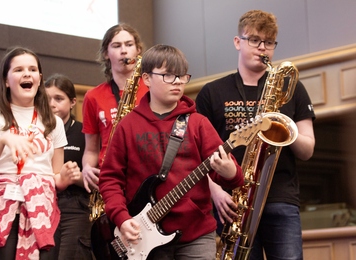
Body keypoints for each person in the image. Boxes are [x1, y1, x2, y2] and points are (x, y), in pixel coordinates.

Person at [99, 44, 244, 259]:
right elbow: (110, 179)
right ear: (146, 78)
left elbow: (233, 178)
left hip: (197, 233)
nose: (177, 81)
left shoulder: (198, 123)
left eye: (181, 76)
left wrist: (229, 171)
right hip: (142, 236)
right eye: (167, 75)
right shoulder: (127, 126)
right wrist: (121, 218)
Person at [195, 10, 316, 260]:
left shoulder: (291, 88)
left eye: (269, 42)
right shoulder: (212, 92)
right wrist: (215, 192)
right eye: (254, 40)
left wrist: (283, 124)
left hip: (281, 198)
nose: (262, 48)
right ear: (238, 42)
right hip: (232, 202)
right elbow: (195, 156)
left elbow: (307, 150)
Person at [0, 46, 81, 260]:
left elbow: (54, 176)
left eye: (32, 69)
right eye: (19, 69)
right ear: (5, 80)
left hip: (43, 216)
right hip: (2, 214)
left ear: (39, 79)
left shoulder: (54, 122)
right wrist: (3, 140)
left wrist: (64, 178)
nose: (27, 74)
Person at [81, 23, 147, 193]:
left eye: (129, 45)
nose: (123, 51)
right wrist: (87, 168)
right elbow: (91, 149)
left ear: (138, 50)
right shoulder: (92, 97)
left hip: (146, 176)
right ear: (105, 54)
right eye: (116, 46)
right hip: (111, 180)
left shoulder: (153, 89)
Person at [45, 73, 94, 260]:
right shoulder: (36, 130)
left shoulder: (83, 133)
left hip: (74, 205)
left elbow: (95, 182)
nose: (52, 104)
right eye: (47, 98)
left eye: (58, 98)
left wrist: (75, 176)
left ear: (73, 102)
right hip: (42, 203)